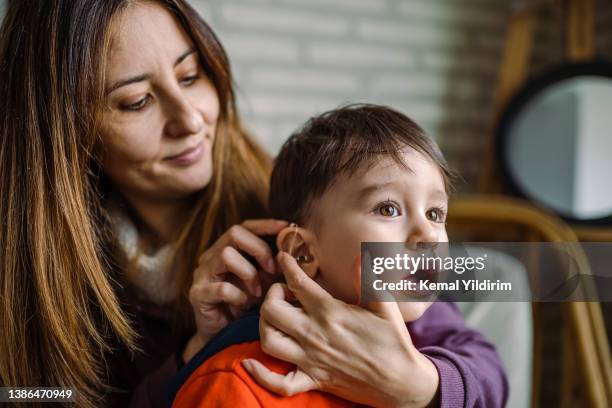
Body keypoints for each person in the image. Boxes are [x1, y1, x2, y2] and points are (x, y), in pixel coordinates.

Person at [0, 1, 505, 407]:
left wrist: (422, 386)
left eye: (192, 75)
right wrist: (195, 354)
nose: (190, 118)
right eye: (137, 102)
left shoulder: (304, 207)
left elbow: (478, 363)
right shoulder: (34, 275)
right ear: (64, 133)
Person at [169, 105, 509, 407]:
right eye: (388, 208)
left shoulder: (427, 316)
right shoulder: (239, 382)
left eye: (436, 213)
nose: (428, 235)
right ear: (302, 252)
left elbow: (492, 375)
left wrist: (424, 386)